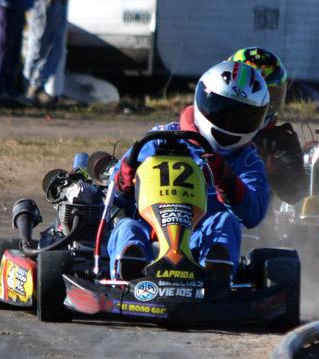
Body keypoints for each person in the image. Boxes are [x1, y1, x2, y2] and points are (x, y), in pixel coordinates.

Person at [107, 61, 271, 282]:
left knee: (225, 223)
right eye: (222, 111)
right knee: (127, 227)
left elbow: (254, 213)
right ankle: (131, 271)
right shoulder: (158, 139)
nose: (230, 123)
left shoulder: (247, 160)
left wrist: (227, 180)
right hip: (153, 237)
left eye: (242, 117)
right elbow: (114, 197)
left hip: (200, 239)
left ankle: (216, 274)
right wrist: (124, 181)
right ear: (204, 103)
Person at [229, 47, 307, 205]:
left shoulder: (281, 139)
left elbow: (295, 192)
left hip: (256, 221)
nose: (263, 103)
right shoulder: (209, 127)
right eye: (256, 94)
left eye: (270, 95)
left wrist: (271, 165)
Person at [23, 0, 74, 105]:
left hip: (60, 0)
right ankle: (28, 86)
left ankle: (38, 86)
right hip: (47, 2)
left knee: (56, 47)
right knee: (39, 46)